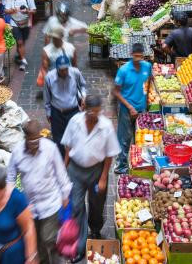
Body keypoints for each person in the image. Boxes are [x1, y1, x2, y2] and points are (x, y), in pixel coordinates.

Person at [61, 95, 120, 263]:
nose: (92, 115)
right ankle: (80, 248)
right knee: (76, 206)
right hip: (76, 170)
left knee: (97, 204)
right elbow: (68, 146)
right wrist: (64, 169)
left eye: (96, 112)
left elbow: (109, 155)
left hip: (96, 171)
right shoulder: (75, 121)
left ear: (100, 111)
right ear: (83, 108)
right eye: (89, 112)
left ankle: (95, 229)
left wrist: (103, 178)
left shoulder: (106, 126)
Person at [7, 120, 72, 264]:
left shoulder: (50, 149)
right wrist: (13, 200)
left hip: (50, 204)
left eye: (37, 142)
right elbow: (10, 178)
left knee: (50, 239)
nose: (35, 146)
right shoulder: (17, 152)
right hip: (30, 208)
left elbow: (61, 173)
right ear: (25, 139)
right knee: (36, 243)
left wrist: (65, 194)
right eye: (31, 143)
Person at [113, 43, 152, 174]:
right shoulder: (123, 70)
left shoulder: (147, 66)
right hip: (126, 109)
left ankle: (138, 167)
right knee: (124, 138)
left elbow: (148, 82)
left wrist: (146, 103)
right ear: (131, 55)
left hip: (141, 109)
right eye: (135, 56)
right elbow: (116, 92)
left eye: (140, 57)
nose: (138, 59)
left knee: (139, 139)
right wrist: (130, 107)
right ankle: (121, 166)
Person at [44, 59, 87, 156]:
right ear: (57, 69)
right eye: (61, 70)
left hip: (73, 111)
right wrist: (48, 112)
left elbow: (83, 85)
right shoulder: (49, 77)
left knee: (75, 135)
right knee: (58, 139)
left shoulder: (75, 73)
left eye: (66, 69)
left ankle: (74, 158)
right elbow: (47, 96)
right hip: (57, 112)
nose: (64, 72)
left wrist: (84, 96)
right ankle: (62, 159)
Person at [5, 0, 37, 71]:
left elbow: (33, 11)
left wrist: (26, 11)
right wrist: (13, 10)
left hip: (25, 22)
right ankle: (23, 61)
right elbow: (6, 10)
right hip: (14, 22)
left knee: (23, 41)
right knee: (19, 42)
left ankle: (19, 55)